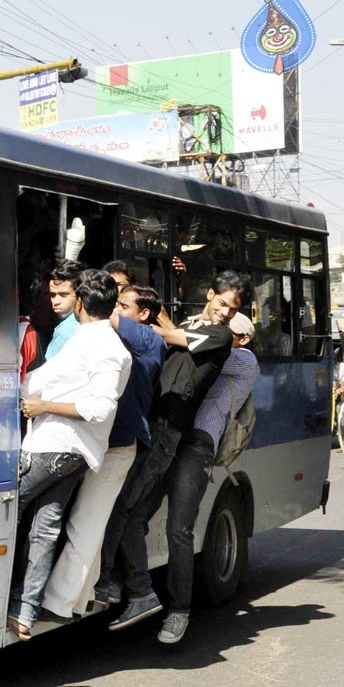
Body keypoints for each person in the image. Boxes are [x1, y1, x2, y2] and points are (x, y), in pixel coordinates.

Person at [97, 270, 244, 634]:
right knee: (130, 514)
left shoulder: (218, 335)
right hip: (159, 431)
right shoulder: (196, 323)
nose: (225, 312)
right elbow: (169, 326)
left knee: (171, 526)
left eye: (232, 308)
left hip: (178, 437)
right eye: (222, 303)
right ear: (210, 294)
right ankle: (136, 588)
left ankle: (173, 608)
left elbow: (168, 334)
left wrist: (135, 321)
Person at [7, 269, 132, 640]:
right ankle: (23, 612)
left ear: (80, 302)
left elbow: (98, 407)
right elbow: (44, 378)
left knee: (4, 510)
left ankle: (3, 602)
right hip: (68, 449)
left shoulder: (104, 346)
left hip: (57, 446)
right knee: (45, 527)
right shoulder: (91, 339)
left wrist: (44, 404)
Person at [44, 284, 166, 619]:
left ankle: (66, 600)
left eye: (124, 306)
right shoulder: (116, 342)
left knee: (89, 523)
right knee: (89, 523)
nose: (118, 311)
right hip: (104, 443)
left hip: (119, 446)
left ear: (144, 315)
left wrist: (96, 302)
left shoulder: (147, 339)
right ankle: (84, 595)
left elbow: (105, 318)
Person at [154, 311, 259, 644]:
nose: (219, 335)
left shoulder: (243, 360)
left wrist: (166, 319)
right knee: (133, 512)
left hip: (198, 446)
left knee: (179, 528)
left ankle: (178, 611)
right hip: (171, 436)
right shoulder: (217, 348)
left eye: (226, 332)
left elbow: (191, 346)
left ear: (243, 339)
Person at [42, 259, 85, 360]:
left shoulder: (65, 331)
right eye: (52, 295)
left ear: (79, 295)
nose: (56, 301)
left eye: (63, 295)